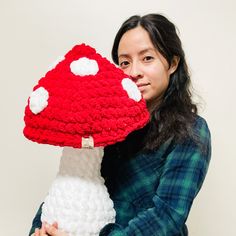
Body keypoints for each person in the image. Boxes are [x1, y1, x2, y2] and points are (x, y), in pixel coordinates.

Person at [29, 13, 211, 236]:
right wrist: (42, 228)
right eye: (124, 62)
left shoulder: (191, 131)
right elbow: (72, 179)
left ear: (172, 63)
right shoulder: (105, 122)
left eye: (147, 58)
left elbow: (167, 217)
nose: (134, 72)